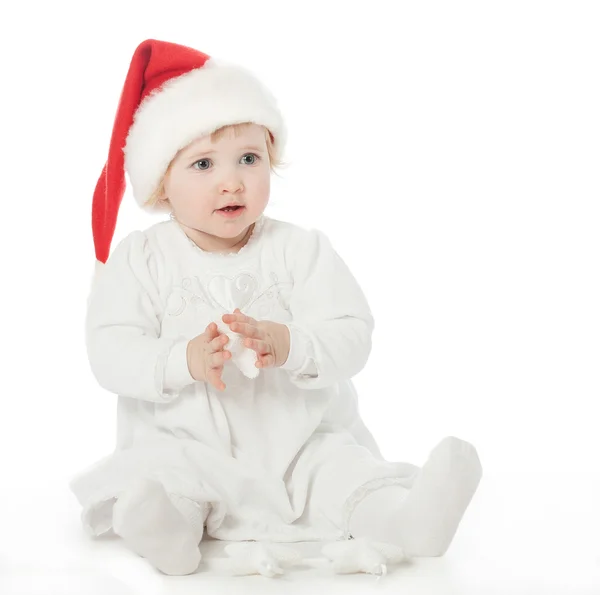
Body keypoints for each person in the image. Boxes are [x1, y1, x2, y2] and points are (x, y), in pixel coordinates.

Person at [70, 38, 483, 576]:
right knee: (165, 474)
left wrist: (291, 343)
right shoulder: (143, 259)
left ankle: (407, 521)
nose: (231, 180)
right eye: (202, 163)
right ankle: (168, 532)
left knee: (340, 470)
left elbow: (352, 332)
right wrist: (184, 360)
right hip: (189, 442)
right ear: (161, 186)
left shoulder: (300, 250)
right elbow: (110, 350)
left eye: (249, 158)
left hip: (300, 443)